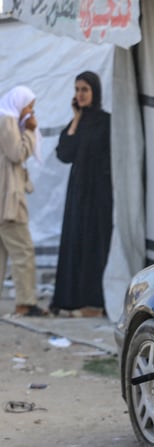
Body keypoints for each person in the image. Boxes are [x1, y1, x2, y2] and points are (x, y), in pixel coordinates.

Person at [52, 71, 114, 318]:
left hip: (99, 193)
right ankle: (72, 300)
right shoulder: (76, 122)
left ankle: (93, 301)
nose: (79, 94)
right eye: (77, 90)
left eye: (84, 89)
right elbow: (64, 153)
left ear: (94, 92)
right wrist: (76, 118)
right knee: (75, 241)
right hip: (78, 192)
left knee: (94, 243)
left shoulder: (106, 122)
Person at [0, 85, 48, 317]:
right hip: (9, 201)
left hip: (5, 198)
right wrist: (29, 132)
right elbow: (17, 154)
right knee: (23, 251)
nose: (30, 112)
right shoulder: (8, 121)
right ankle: (25, 303)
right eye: (28, 107)